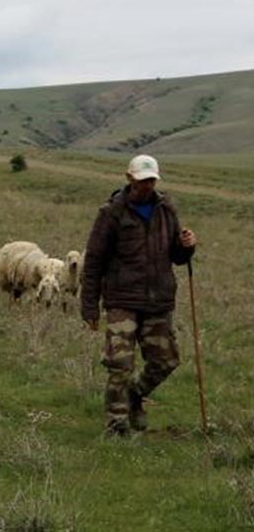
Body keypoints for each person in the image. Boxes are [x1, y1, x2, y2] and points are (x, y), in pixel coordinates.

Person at [81, 154, 197, 435]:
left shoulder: (166, 210)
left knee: (165, 361)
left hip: (158, 299)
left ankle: (134, 395)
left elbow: (176, 256)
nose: (147, 186)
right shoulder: (111, 213)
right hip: (122, 299)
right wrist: (90, 307)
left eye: (151, 181)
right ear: (129, 178)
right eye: (142, 180)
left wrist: (187, 246)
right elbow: (94, 261)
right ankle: (116, 425)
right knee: (120, 364)